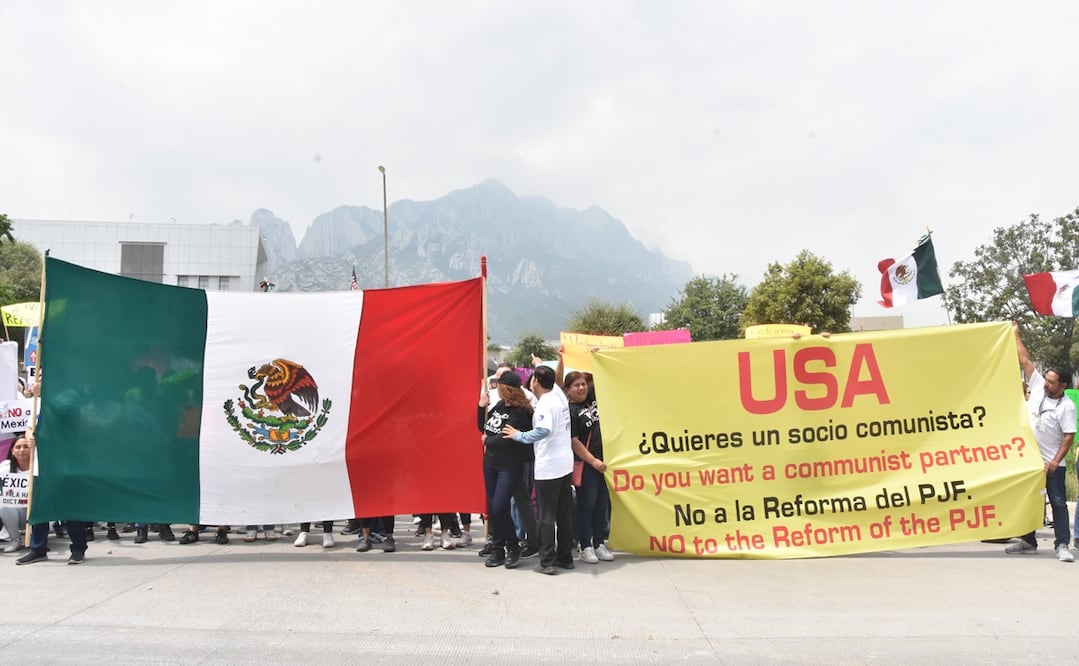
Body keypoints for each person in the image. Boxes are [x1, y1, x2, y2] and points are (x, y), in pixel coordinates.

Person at [1006, 322, 1076, 562]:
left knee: (1057, 503)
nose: (1046, 384)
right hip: (1029, 461)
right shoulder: (1037, 388)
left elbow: (1069, 436)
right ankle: (1028, 541)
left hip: (1051, 464)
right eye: (1046, 379)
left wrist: (1055, 461)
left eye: (1052, 381)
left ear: (1063, 385)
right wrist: (1015, 334)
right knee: (1029, 501)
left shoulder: (1066, 407)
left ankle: (1062, 545)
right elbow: (1025, 360)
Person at [502, 365, 575, 575]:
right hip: (564, 463)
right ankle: (565, 557)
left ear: (535, 382)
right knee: (564, 513)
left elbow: (543, 430)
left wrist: (519, 435)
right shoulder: (559, 396)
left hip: (549, 466)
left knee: (546, 516)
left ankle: (547, 561)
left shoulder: (544, 404)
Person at [479, 372, 534, 568]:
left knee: (499, 506)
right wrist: (481, 406)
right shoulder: (500, 406)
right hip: (490, 464)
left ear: (506, 388)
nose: (496, 389)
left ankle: (512, 546)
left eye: (499, 386)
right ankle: (497, 549)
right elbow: (483, 427)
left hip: (509, 466)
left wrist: (487, 441)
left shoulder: (521, 412)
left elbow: (506, 439)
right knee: (494, 510)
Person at [563, 370, 614, 564]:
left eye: (583, 384)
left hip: (604, 462)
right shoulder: (570, 410)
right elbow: (574, 441)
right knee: (587, 505)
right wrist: (593, 460)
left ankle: (599, 543)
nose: (582, 388)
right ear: (567, 390)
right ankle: (585, 546)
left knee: (601, 504)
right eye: (576, 385)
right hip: (587, 464)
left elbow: (603, 377)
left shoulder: (592, 398)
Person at [0, 435, 31, 552]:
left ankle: (36, 539)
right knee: (3, 504)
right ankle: (15, 540)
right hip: (15, 512)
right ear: (12, 451)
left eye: (25, 447)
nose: (22, 450)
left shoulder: (38, 468)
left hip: (35, 512)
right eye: (18, 447)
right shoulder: (5, 468)